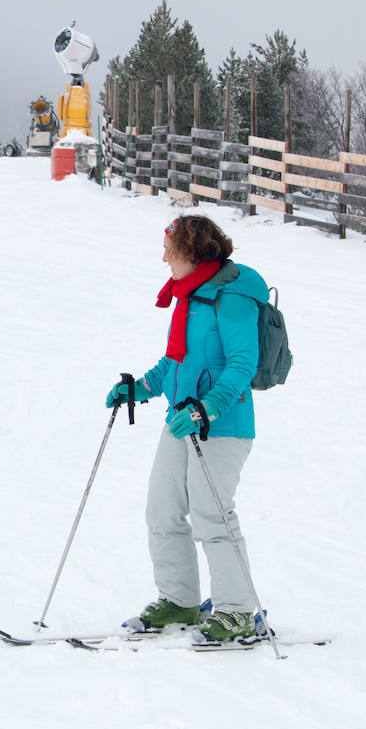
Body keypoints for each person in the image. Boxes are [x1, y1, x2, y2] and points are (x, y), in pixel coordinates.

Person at [104, 215, 271, 642]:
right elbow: (175, 361)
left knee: (211, 513)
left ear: (191, 252)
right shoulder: (190, 296)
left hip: (223, 424)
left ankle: (236, 609)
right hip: (181, 419)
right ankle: (180, 600)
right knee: (161, 510)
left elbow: (241, 365)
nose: (163, 257)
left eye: (169, 249)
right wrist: (139, 389)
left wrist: (207, 409)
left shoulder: (231, 299)